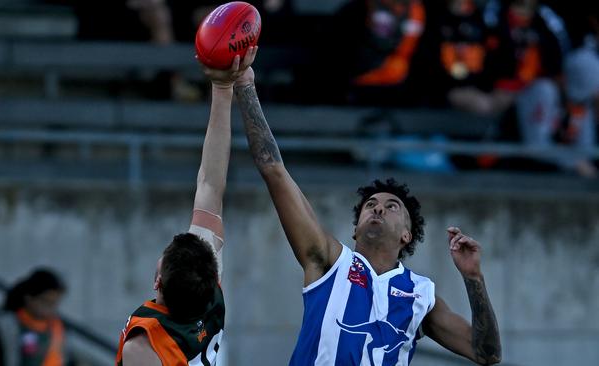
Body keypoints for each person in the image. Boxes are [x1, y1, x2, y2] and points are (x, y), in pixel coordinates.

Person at [232, 67, 502, 364]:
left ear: (406, 235)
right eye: (370, 204)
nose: (378, 208)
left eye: (391, 206)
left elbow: (487, 353)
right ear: (356, 229)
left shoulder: (421, 295)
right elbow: (274, 171)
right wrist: (245, 83)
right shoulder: (328, 261)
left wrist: (474, 278)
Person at [115, 47, 258, 366]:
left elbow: (210, 183)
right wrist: (223, 89)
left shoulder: (144, 346)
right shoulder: (208, 292)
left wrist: (222, 87)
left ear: (157, 281)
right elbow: (210, 183)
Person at [0, 268, 67, 366]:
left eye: (55, 303)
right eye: (46, 302)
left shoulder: (58, 329)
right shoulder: (4, 326)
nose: (51, 308)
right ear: (29, 298)